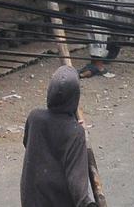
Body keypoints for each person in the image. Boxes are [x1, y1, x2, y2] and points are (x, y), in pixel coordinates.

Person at [20, 65, 96, 207]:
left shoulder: (35, 117)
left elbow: (28, 143)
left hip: (32, 199)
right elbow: (77, 182)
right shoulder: (75, 133)